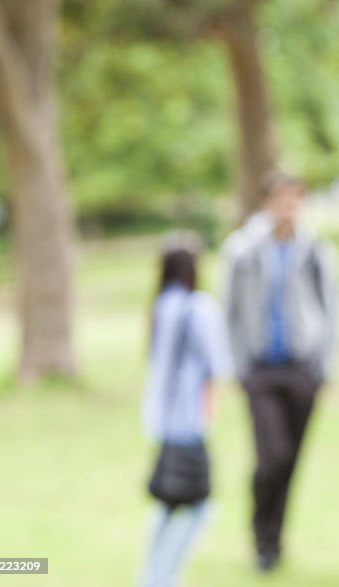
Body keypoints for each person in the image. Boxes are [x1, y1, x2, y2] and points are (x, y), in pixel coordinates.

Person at [223, 171, 339, 572]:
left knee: (290, 460)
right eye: (281, 198)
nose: (288, 206)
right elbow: (231, 310)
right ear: (266, 202)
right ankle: (261, 536)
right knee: (271, 457)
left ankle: (274, 543)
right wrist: (238, 366)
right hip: (260, 371)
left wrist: (323, 366)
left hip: (302, 369)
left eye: (295, 199)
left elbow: (329, 307)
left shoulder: (314, 249)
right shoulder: (242, 249)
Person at [140, 232, 231, 587]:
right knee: (199, 507)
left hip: (160, 421)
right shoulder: (198, 307)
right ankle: (163, 577)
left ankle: (150, 574)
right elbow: (216, 366)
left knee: (166, 502)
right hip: (189, 422)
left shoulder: (161, 305)